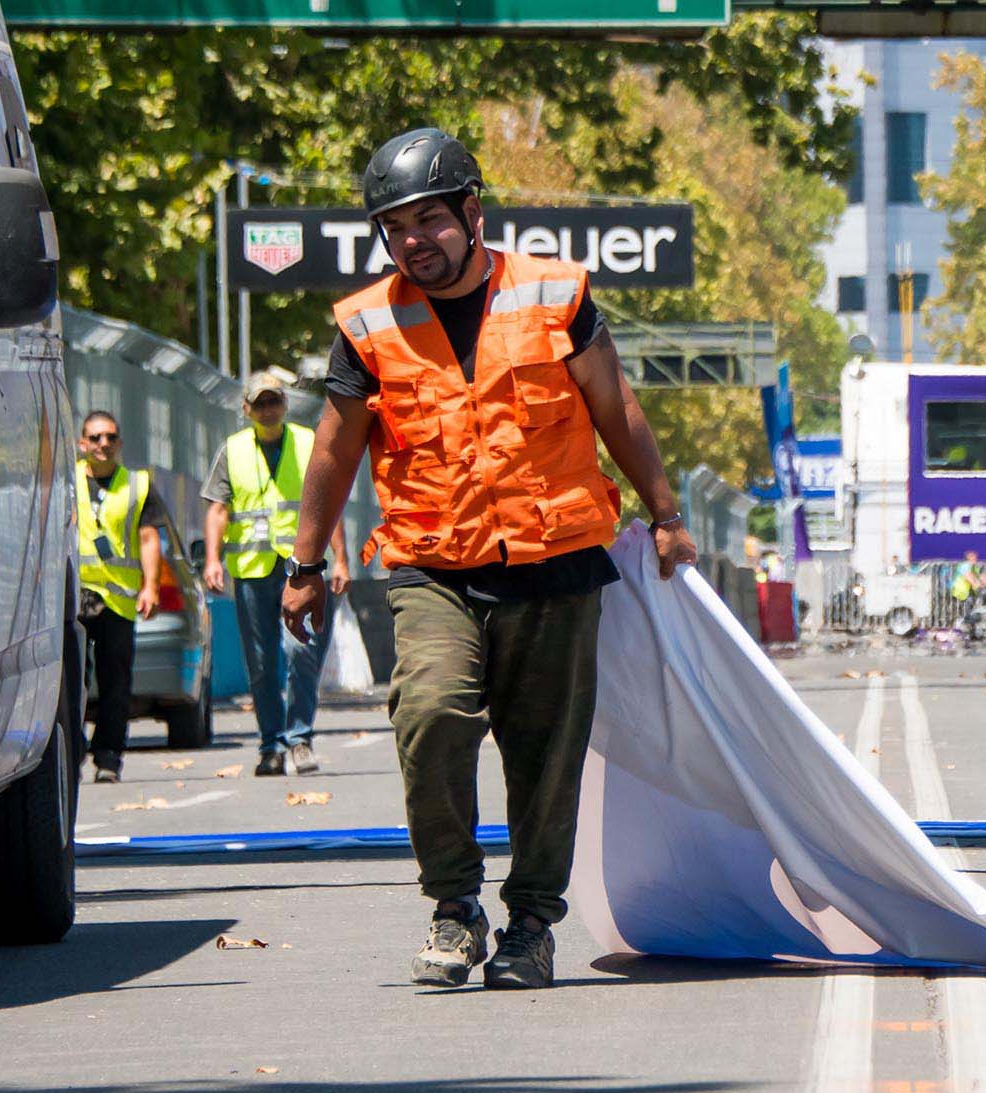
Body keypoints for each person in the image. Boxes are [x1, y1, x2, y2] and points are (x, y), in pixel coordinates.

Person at [281, 128, 698, 992]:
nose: (412, 242)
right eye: (394, 229)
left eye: (428, 220)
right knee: (429, 715)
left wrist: (665, 512)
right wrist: (305, 563)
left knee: (544, 758)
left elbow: (614, 404)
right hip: (434, 566)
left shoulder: (554, 293)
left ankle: (531, 924)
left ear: (472, 214)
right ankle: (453, 907)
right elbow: (332, 451)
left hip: (554, 564)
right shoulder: (365, 324)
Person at [203, 367, 333, 778]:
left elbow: (329, 501)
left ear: (285, 404)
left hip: (301, 565)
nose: (268, 408)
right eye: (260, 403)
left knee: (302, 651)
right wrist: (212, 559)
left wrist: (341, 560)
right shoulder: (233, 450)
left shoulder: (308, 443)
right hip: (253, 570)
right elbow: (218, 510)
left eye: (275, 400)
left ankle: (300, 739)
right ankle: (271, 745)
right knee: (260, 662)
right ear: (246, 409)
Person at [73, 410, 174, 786]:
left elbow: (149, 538)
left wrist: (150, 586)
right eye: (95, 438)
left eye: (110, 438)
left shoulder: (137, 484)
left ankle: (108, 755)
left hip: (118, 599)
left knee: (116, 681)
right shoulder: (66, 482)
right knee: (72, 681)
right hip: (75, 596)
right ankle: (72, 750)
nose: (103, 444)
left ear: (120, 443)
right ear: (82, 443)